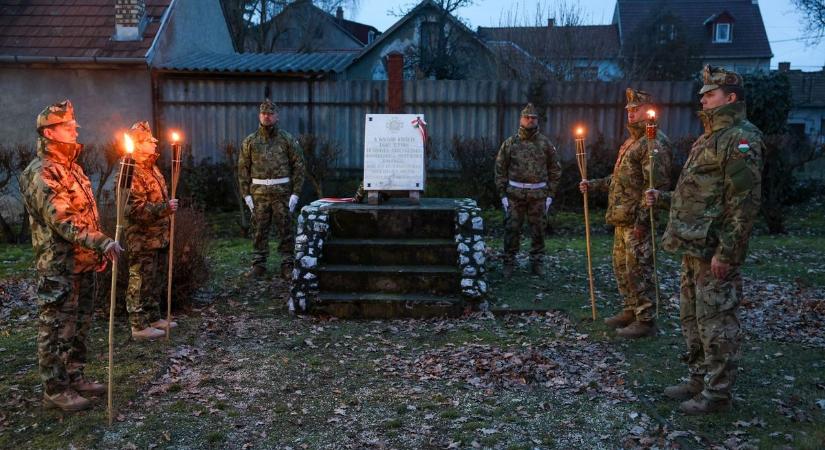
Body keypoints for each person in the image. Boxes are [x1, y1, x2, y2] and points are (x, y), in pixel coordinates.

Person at [646, 65, 763, 414]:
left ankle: (718, 394)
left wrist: (727, 253)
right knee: (692, 318)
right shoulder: (708, 137)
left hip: (714, 249)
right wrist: (664, 197)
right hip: (691, 246)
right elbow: (699, 193)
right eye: (702, 94)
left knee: (717, 323)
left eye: (710, 94)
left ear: (731, 98)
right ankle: (698, 378)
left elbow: (743, 202)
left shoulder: (742, 139)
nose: (703, 98)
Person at [19, 100, 123, 411]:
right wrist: (101, 242)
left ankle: (75, 376)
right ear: (49, 133)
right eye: (67, 126)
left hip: (82, 262)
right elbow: (63, 220)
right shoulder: (41, 173)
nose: (75, 129)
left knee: (80, 325)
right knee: (55, 327)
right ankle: (55, 389)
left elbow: (87, 215)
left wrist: (94, 250)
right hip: (58, 267)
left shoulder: (72, 168)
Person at [579, 88, 672, 338]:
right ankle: (631, 310)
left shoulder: (654, 144)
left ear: (648, 111)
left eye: (636, 109)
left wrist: (643, 221)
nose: (630, 113)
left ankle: (646, 320)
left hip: (638, 220)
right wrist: (594, 184)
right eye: (629, 109)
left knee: (639, 269)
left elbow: (654, 186)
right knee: (622, 267)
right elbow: (620, 180)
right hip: (622, 218)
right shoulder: (631, 142)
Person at [237, 99, 305, 279]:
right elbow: (243, 169)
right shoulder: (250, 141)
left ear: (277, 116)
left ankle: (287, 264)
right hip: (259, 193)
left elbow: (299, 166)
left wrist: (296, 193)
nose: (266, 117)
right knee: (259, 229)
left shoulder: (287, 139)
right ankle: (258, 264)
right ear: (259, 115)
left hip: (282, 193)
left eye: (270, 114)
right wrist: (246, 195)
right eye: (263, 113)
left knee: (285, 229)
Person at [124, 121, 179, 341]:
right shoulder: (131, 171)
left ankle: (153, 317)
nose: (154, 143)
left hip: (158, 236)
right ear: (138, 145)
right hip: (142, 238)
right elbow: (133, 209)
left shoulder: (151, 167)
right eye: (148, 140)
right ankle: (138, 325)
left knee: (154, 278)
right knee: (140, 279)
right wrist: (164, 209)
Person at [494, 103, 562, 277]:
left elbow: (555, 170)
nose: (530, 120)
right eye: (527, 117)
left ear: (537, 120)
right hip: (514, 195)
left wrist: (550, 195)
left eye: (533, 118)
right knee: (511, 229)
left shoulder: (545, 144)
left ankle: (537, 263)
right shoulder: (510, 143)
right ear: (521, 119)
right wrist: (502, 194)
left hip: (538, 195)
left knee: (538, 230)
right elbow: (500, 169)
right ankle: (509, 262)